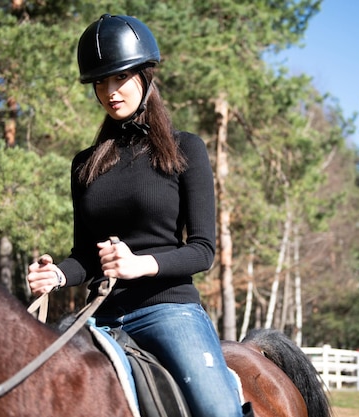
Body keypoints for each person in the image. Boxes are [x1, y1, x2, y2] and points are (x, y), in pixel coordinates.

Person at [27, 14, 252, 417]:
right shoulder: (84, 165)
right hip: (100, 316)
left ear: (146, 78)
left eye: (120, 78)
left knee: (219, 411)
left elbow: (203, 251)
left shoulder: (187, 149)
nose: (109, 92)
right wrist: (57, 274)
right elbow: (85, 255)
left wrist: (139, 264)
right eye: (100, 82)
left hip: (168, 309)